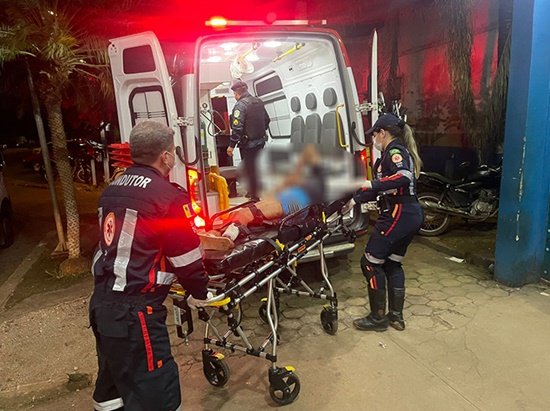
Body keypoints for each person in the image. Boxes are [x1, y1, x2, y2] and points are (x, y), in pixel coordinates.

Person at [89, 121, 210, 411]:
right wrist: (200, 292)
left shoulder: (111, 190)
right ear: (165, 156)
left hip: (102, 305)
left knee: (112, 389)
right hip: (136, 313)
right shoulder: (167, 197)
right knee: (158, 394)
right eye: (173, 152)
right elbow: (185, 256)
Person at [348, 113, 423, 332]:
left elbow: (404, 177)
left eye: (374, 135)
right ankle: (396, 318)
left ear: (382, 133)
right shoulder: (394, 152)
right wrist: (355, 199)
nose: (373, 140)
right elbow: (383, 188)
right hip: (408, 214)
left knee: (370, 263)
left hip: (399, 213)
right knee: (392, 264)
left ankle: (377, 318)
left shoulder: (395, 151)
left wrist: (370, 183)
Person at [226, 80, 270, 201]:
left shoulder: (240, 105)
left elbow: (237, 127)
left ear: (237, 93)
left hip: (248, 144)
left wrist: (231, 145)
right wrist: (259, 132)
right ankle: (254, 191)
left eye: (234, 94)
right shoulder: (259, 102)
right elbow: (267, 120)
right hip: (260, 142)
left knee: (250, 169)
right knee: (256, 167)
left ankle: (254, 197)